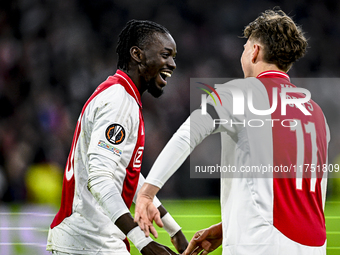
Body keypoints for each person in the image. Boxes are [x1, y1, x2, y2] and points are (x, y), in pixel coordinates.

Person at [135, 9, 330, 255]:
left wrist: (146, 193)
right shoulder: (315, 111)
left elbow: (188, 134)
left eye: (245, 47)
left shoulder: (239, 92)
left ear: (255, 51)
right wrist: (229, 227)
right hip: (313, 246)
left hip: (259, 243)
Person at [46, 20, 188, 255]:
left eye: (174, 57)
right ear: (137, 54)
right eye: (165, 55)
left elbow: (122, 173)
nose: (172, 64)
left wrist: (174, 229)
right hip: (90, 242)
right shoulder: (119, 102)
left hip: (89, 240)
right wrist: (145, 244)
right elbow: (101, 179)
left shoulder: (119, 95)